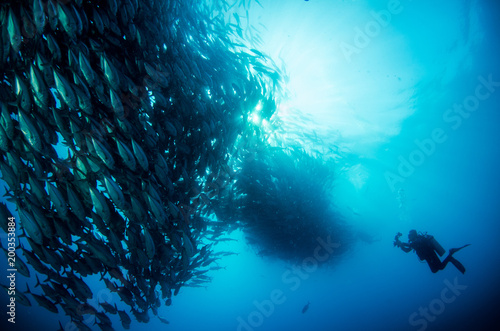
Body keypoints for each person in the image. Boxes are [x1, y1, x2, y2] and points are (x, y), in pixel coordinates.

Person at [394, 230, 470, 274]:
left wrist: (399, 244)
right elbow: (408, 246)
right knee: (435, 270)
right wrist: (400, 243)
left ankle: (450, 256)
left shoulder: (417, 241)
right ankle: (450, 256)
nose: (408, 236)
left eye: (410, 235)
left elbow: (407, 249)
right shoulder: (416, 241)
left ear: (414, 235)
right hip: (428, 257)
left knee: (439, 267)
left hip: (431, 255)